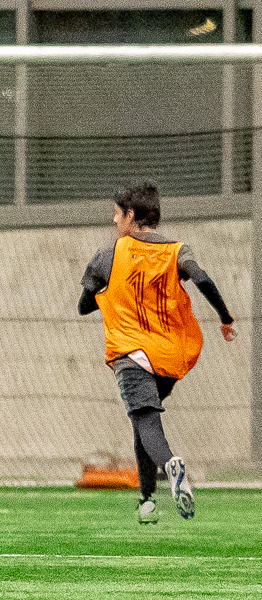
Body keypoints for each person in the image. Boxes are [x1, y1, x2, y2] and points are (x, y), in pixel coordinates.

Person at [79, 180, 237, 524]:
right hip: (168, 355)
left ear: (130, 215)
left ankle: (171, 467)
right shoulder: (177, 250)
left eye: (117, 213)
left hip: (130, 354)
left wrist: (102, 289)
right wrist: (224, 318)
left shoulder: (108, 257)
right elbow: (202, 278)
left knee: (147, 423)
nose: (114, 219)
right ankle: (147, 501)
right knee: (142, 421)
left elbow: (83, 306)